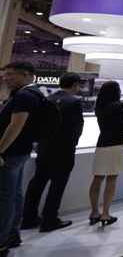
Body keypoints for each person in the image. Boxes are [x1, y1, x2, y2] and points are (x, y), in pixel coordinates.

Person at [21, 72, 84, 232]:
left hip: (44, 147)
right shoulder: (73, 102)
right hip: (63, 149)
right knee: (57, 184)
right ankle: (49, 219)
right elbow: (77, 128)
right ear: (75, 84)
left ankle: (28, 217)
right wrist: (72, 143)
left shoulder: (46, 99)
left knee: (37, 181)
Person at [0, 62, 42, 256]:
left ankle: (2, 242)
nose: (6, 78)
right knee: (14, 194)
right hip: (20, 151)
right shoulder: (33, 92)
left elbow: (16, 125)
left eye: (9, 74)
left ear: (25, 74)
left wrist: (0, 151)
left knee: (5, 197)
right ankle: (13, 234)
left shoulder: (24, 96)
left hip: (10, 153)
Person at [88, 81, 123, 227]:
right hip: (116, 145)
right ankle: (105, 213)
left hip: (101, 144)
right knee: (111, 179)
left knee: (97, 178)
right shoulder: (120, 106)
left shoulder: (99, 107)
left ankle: (94, 212)